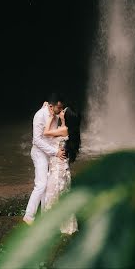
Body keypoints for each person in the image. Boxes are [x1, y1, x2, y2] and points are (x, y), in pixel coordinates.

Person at [23, 93, 66, 226]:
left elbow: (52, 134)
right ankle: (28, 216)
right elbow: (37, 140)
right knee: (41, 184)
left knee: (47, 185)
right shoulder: (40, 115)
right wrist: (55, 152)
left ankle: (43, 214)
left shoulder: (54, 113)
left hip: (50, 153)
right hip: (39, 153)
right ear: (51, 106)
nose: (61, 110)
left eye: (62, 108)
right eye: (59, 108)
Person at [43, 103, 81, 234]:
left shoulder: (64, 129)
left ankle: (52, 227)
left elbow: (46, 133)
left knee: (53, 196)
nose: (61, 110)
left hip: (59, 168)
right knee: (57, 195)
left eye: (63, 111)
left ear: (66, 117)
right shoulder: (62, 128)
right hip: (58, 166)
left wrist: (50, 116)